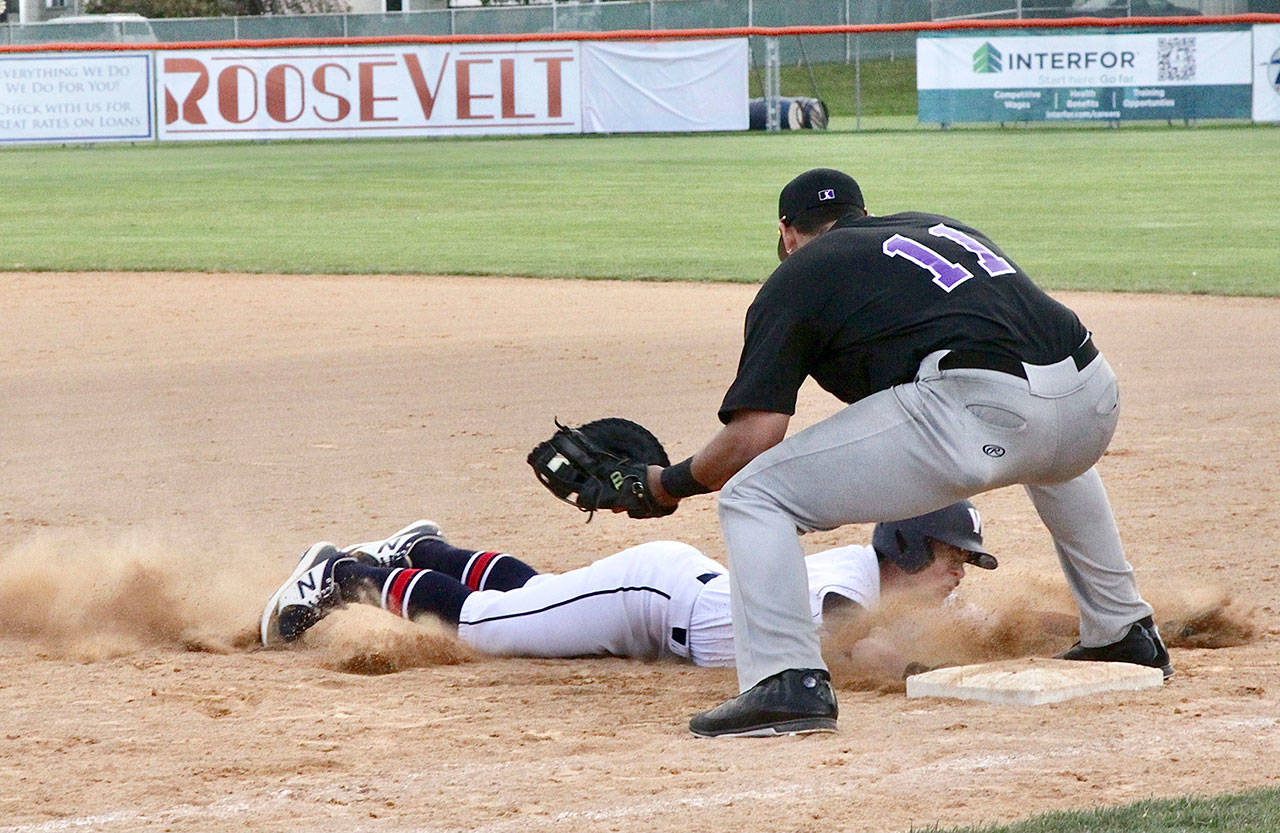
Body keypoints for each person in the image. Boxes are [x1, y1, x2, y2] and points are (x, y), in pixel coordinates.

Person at [638, 168, 1171, 737]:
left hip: (982, 407)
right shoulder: (935, 229)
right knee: (1051, 451)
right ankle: (1123, 629)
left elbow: (753, 438)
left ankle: (787, 682)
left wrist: (665, 484)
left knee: (753, 497)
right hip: (1094, 402)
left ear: (787, 233)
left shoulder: (800, 272)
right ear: (862, 214)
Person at [259, 501, 998, 696]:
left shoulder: (910, 597)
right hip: (653, 599)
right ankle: (345, 575)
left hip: (671, 600)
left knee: (540, 597)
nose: (961, 570)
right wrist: (941, 677)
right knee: (491, 627)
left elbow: (990, 624)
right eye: (952, 554)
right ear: (905, 547)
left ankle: (421, 551)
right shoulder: (853, 581)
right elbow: (862, 652)